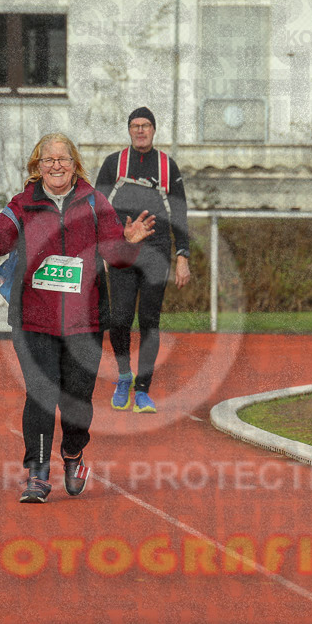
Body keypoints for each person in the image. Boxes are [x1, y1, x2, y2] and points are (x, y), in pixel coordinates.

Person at [0, 133, 155, 503]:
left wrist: (128, 241)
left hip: (84, 321)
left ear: (75, 165)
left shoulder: (94, 202)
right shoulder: (23, 204)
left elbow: (115, 256)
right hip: (33, 318)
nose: (56, 165)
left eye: (63, 159)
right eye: (48, 160)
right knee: (41, 394)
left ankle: (73, 453)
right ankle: (37, 474)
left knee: (77, 398)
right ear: (37, 167)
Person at [95, 106, 190, 413]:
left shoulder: (167, 166)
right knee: (119, 319)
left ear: (153, 129)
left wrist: (182, 256)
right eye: (134, 125)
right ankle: (125, 375)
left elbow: (180, 214)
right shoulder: (114, 164)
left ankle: (143, 390)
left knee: (149, 322)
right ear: (129, 130)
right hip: (123, 252)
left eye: (145, 125)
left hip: (157, 252)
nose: (140, 130)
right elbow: (98, 207)